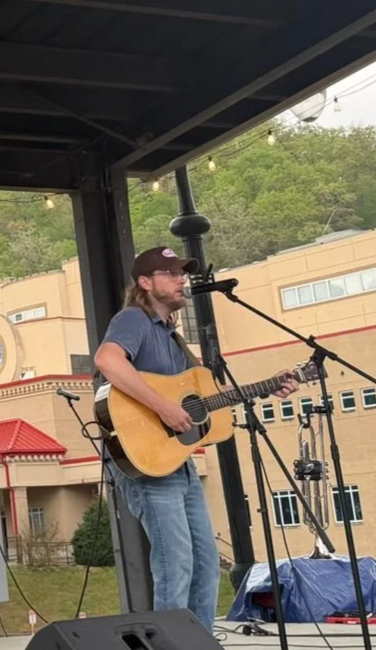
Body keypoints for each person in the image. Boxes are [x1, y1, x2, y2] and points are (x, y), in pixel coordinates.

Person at [94, 246, 297, 627]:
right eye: (170, 273)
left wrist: (268, 386)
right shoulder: (134, 320)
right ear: (145, 282)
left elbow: (205, 398)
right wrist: (163, 407)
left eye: (181, 273)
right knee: (176, 562)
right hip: (145, 462)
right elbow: (107, 360)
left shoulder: (172, 337)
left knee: (206, 563)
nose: (180, 279)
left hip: (175, 460)